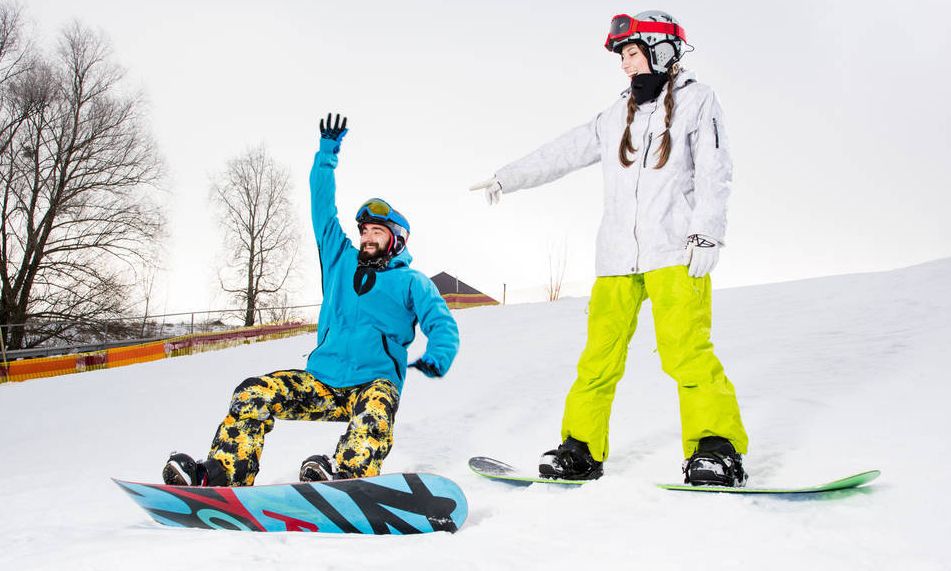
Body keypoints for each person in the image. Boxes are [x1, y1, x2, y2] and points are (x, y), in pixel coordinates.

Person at [470, 11, 749, 486]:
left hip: (674, 252)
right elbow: (562, 151)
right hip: (617, 258)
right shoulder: (615, 114)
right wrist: (507, 177)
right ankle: (580, 449)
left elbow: (714, 169)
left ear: (662, 52)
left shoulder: (698, 101)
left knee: (685, 353)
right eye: (622, 58)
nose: (625, 66)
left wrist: (707, 231)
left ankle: (715, 449)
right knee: (598, 358)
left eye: (632, 54)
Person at [163, 113, 459, 486]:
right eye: (364, 230)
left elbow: (441, 321)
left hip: (373, 384)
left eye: (377, 232)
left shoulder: (411, 282)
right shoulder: (340, 259)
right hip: (322, 382)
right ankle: (224, 475)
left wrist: (440, 354)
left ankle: (348, 478)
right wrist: (326, 156)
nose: (367, 237)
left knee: (376, 411)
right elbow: (323, 209)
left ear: (396, 238)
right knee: (253, 391)